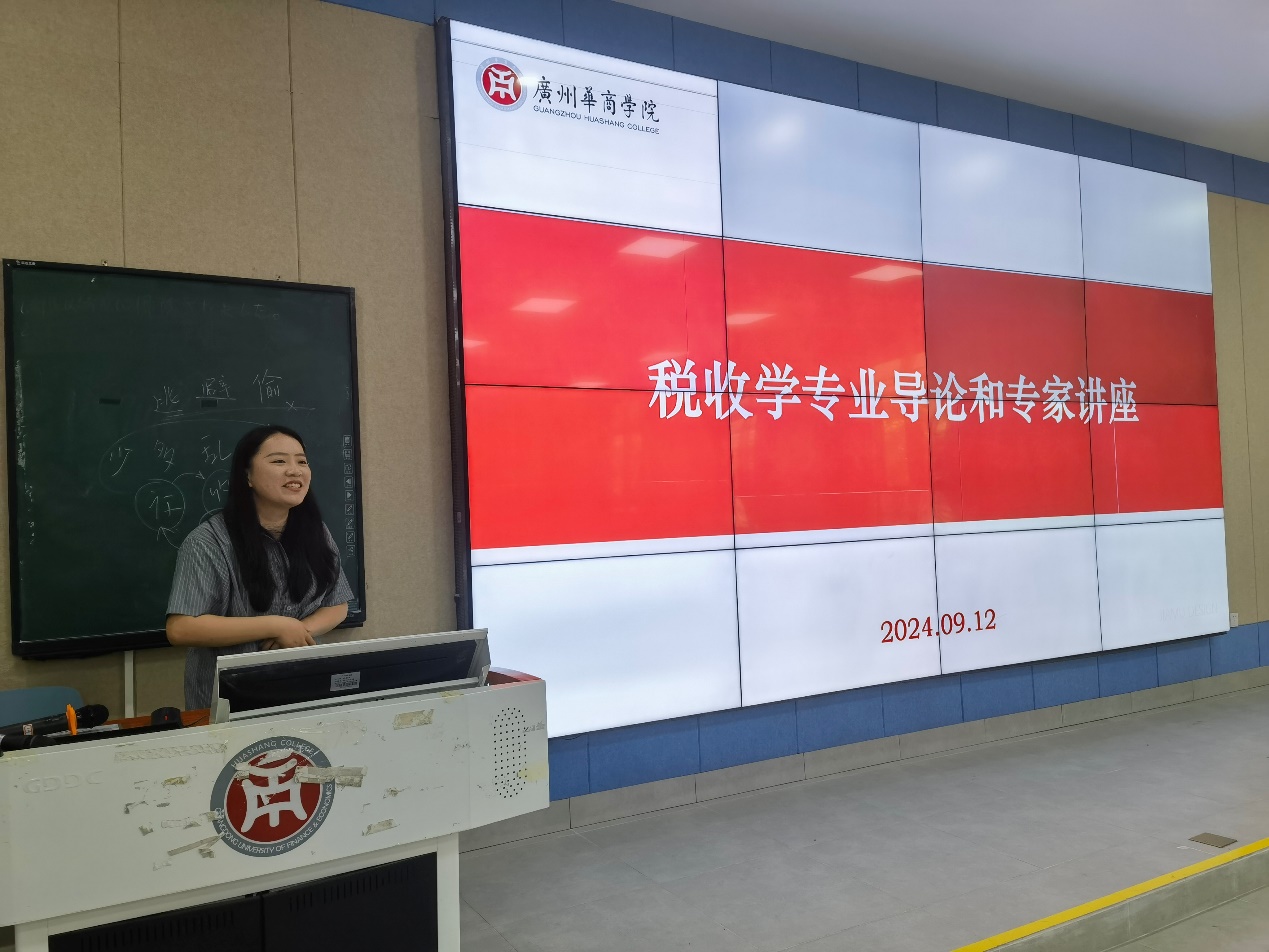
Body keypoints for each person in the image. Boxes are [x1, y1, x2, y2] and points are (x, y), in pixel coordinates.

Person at [166, 425, 353, 710]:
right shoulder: (208, 541)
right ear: (247, 476)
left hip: (301, 688)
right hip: (230, 701)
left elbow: (337, 604)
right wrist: (275, 626)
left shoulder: (316, 531)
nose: (295, 471)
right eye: (279, 461)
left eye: (302, 461)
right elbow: (181, 628)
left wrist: (298, 631)